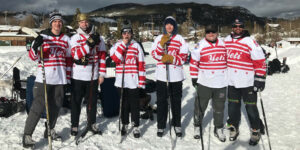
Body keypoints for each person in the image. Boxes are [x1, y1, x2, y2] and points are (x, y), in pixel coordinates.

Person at [23, 11, 72, 148]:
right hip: (43, 79)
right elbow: (33, 57)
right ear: (51, 23)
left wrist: (67, 79)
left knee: (55, 107)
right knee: (37, 108)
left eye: (60, 22)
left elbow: (68, 60)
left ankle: (49, 130)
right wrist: (35, 45)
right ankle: (27, 135)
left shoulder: (66, 39)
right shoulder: (43, 37)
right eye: (55, 21)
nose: (58, 23)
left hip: (60, 80)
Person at [224, 18, 266, 145]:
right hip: (232, 81)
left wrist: (260, 79)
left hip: (248, 81)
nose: (238, 28)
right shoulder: (226, 40)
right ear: (232, 27)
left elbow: (260, 60)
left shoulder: (250, 41)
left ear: (243, 27)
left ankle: (255, 129)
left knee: (251, 108)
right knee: (232, 107)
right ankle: (233, 127)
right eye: (235, 26)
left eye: (240, 26)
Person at [69, 13, 106, 136]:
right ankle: (75, 125)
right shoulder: (74, 38)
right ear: (78, 23)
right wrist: (88, 44)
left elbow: (102, 56)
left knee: (92, 102)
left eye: (86, 21)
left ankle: (92, 123)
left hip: (93, 75)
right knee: (76, 101)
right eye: (81, 22)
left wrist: (102, 73)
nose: (84, 24)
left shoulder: (98, 37)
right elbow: (75, 55)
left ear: (88, 22)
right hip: (78, 76)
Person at [151, 16, 188, 137]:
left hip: (176, 76)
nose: (169, 26)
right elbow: (155, 55)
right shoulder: (159, 38)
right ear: (164, 26)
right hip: (162, 76)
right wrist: (161, 45)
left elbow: (183, 58)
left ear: (174, 26)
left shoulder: (180, 39)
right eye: (167, 24)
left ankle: (177, 124)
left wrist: (171, 58)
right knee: (162, 101)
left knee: (175, 101)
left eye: (171, 24)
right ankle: (161, 125)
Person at [190, 24, 227, 142]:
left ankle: (219, 127)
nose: (211, 34)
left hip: (220, 82)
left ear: (217, 32)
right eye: (208, 32)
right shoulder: (200, 45)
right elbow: (193, 62)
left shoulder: (223, 44)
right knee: (200, 106)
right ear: (205, 33)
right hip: (205, 82)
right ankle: (197, 125)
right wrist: (194, 77)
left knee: (219, 107)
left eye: (213, 31)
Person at [110, 20, 146, 138]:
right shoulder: (117, 45)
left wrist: (141, 81)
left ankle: (135, 125)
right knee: (124, 104)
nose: (126, 34)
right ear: (121, 34)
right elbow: (115, 59)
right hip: (121, 81)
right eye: (124, 32)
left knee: (134, 104)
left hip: (133, 80)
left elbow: (141, 64)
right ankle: (125, 123)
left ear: (131, 34)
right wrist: (122, 46)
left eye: (128, 32)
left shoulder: (136, 46)